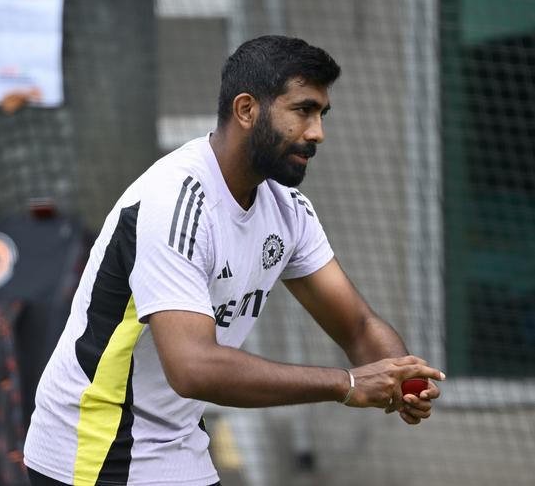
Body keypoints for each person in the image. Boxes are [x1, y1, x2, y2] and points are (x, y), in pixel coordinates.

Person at [23, 35, 445, 486]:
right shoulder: (175, 202)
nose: (317, 132)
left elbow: (357, 325)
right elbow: (193, 368)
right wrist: (346, 383)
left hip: (176, 440)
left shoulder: (288, 209)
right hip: (96, 444)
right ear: (246, 110)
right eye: (303, 110)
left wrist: (402, 377)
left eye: (322, 114)